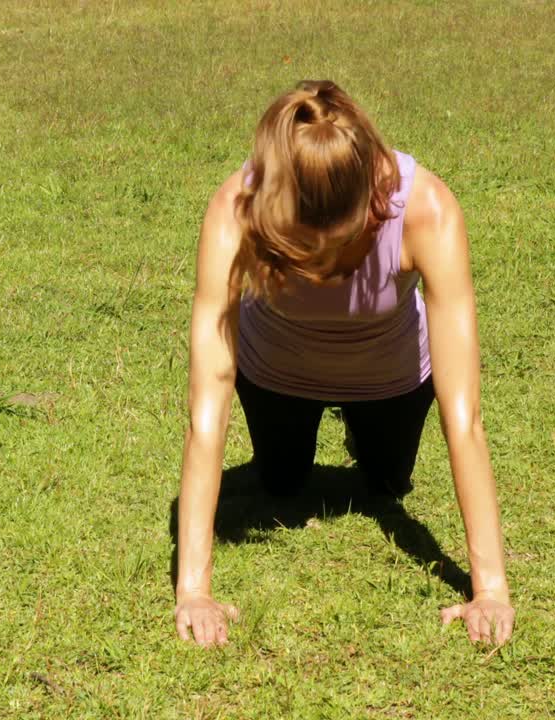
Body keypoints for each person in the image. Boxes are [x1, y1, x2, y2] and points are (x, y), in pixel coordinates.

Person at [174, 80, 514, 649]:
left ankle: (367, 436)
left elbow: (464, 414)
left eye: (339, 248)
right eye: (304, 250)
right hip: (277, 371)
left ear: (372, 204)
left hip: (390, 377)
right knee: (282, 486)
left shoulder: (425, 209)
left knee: (386, 483)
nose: (324, 268)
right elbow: (207, 406)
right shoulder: (238, 209)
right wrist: (194, 590)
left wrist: (491, 589)